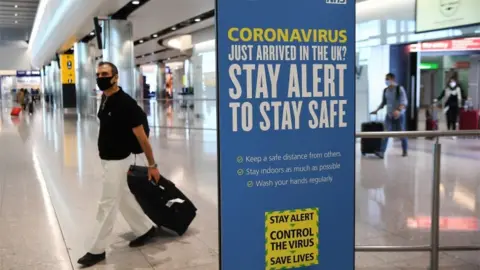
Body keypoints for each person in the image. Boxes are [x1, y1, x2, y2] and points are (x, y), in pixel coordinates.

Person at [77, 62, 161, 267]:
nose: (100, 77)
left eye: (104, 74)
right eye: (98, 74)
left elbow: (142, 139)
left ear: (115, 77)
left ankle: (97, 249)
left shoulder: (126, 104)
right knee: (122, 196)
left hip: (119, 160)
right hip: (108, 158)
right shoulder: (106, 98)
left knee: (107, 203)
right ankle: (145, 229)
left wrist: (152, 165)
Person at [371, 73, 409, 158]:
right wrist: (376, 110)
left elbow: (404, 102)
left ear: (392, 79)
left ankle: (405, 150)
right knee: (385, 132)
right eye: (386, 79)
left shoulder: (399, 89)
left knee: (402, 132)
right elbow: (384, 102)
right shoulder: (386, 90)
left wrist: (398, 110)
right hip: (389, 115)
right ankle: (382, 152)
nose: (386, 81)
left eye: (387, 79)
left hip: (399, 115)